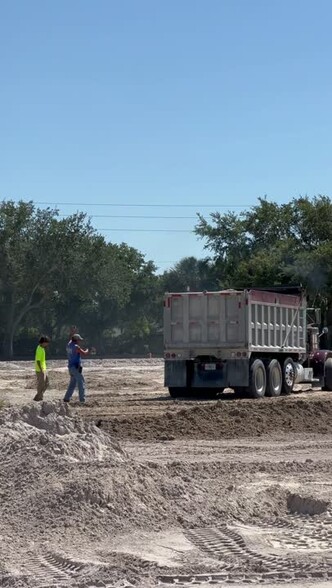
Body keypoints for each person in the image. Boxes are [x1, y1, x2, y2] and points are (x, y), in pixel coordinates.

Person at [63, 334, 90, 404]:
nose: (80, 341)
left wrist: (72, 332)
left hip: (70, 367)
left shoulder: (68, 345)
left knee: (72, 384)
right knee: (81, 383)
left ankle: (66, 398)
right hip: (75, 368)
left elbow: (70, 339)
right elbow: (84, 353)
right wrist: (88, 349)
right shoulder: (76, 347)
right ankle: (82, 400)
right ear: (76, 340)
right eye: (79, 340)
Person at [34, 336, 50, 401]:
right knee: (41, 384)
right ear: (43, 342)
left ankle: (39, 395)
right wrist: (41, 370)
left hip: (43, 368)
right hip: (40, 370)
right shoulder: (39, 349)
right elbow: (38, 361)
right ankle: (38, 397)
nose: (47, 344)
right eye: (46, 343)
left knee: (47, 383)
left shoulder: (42, 348)